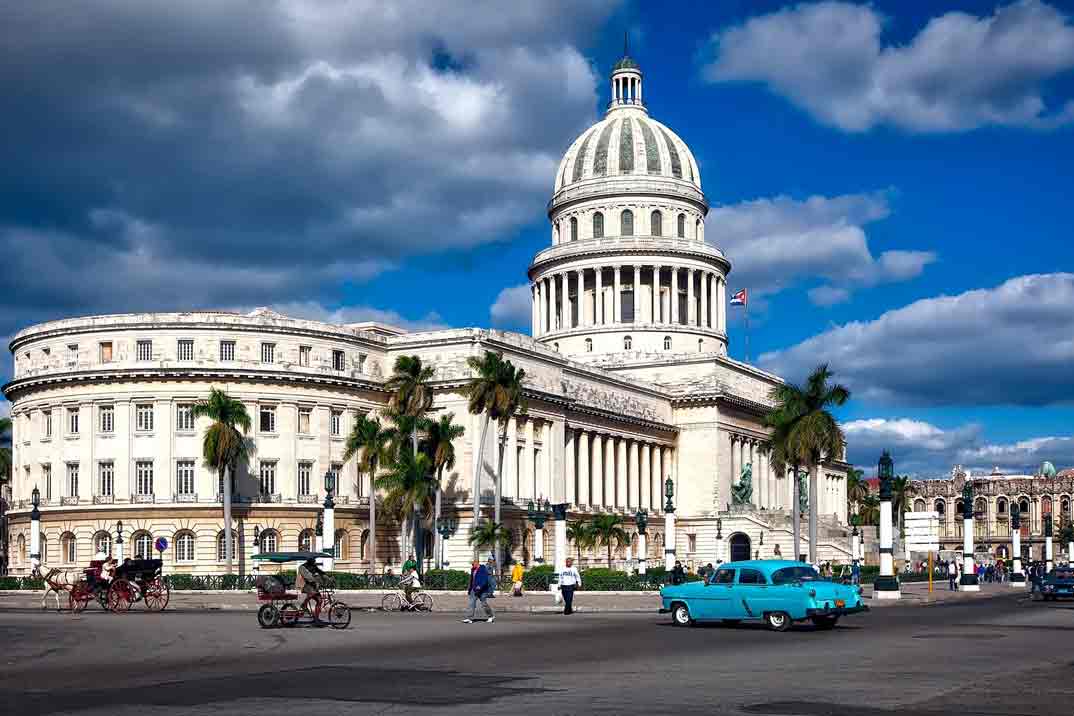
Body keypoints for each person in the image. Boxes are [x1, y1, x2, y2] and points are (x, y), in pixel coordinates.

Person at [463, 558, 494, 624]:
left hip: (482, 590)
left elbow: (485, 579)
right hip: (474, 589)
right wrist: (470, 589)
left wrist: (480, 586)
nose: (472, 565)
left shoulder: (483, 569)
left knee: (484, 604)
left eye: (472, 564)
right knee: (471, 603)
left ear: (476, 563)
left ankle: (491, 616)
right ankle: (469, 618)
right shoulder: (473, 569)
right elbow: (472, 580)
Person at [297, 557, 328, 623]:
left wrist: (327, 577)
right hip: (305, 585)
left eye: (314, 560)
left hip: (313, 586)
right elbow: (308, 577)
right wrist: (316, 580)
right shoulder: (302, 567)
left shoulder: (313, 566)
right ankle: (304, 604)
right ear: (309, 560)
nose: (314, 561)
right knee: (312, 593)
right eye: (313, 560)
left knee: (319, 601)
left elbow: (320, 572)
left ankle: (316, 618)